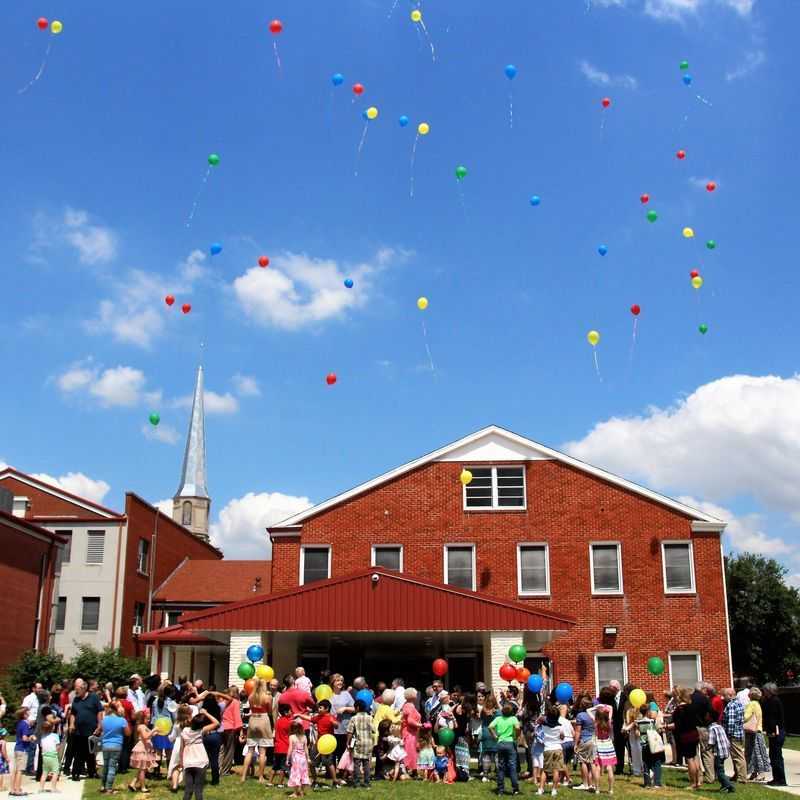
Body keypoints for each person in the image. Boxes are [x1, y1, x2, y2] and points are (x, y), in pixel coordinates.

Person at [181, 708, 219, 800]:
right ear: (202, 725)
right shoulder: (201, 731)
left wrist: (181, 762)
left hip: (188, 762)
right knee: (198, 790)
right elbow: (216, 723)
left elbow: (181, 748)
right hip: (201, 763)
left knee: (188, 791)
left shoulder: (185, 731)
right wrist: (206, 713)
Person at [69, 677, 103, 781]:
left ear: (84, 689)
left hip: (91, 730)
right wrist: (71, 724)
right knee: (78, 753)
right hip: (79, 731)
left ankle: (92, 772)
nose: (76, 692)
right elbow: (73, 713)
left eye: (77, 690)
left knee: (91, 753)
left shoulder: (94, 698)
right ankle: (76, 773)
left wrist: (100, 725)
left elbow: (99, 711)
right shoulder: (76, 699)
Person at [670, 687, 701, 790]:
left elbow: (677, 725)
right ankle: (698, 781)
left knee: (689, 759)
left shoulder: (680, 709)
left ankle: (693, 783)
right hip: (694, 733)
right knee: (695, 757)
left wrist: (665, 726)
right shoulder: (692, 707)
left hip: (686, 735)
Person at [242, 680, 272, 783]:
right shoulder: (267, 697)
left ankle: (243, 776)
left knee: (250, 750)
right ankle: (260, 777)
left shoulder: (251, 697)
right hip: (263, 719)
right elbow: (269, 710)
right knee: (262, 752)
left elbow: (250, 708)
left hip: (253, 719)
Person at [489, 702, 522, 796]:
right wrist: (517, 735)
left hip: (500, 743)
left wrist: (495, 736)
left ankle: (500, 790)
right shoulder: (513, 719)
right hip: (510, 742)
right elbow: (517, 727)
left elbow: (490, 726)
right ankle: (515, 788)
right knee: (512, 766)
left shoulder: (498, 718)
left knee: (501, 766)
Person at [100, 700, 130, 794]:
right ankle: (109, 788)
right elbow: (128, 733)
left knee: (105, 766)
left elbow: (101, 729)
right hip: (116, 745)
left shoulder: (105, 719)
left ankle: (102, 786)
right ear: (117, 709)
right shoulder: (122, 720)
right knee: (112, 767)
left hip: (105, 745)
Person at [761, 683, 786, 787]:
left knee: (776, 756)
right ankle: (776, 778)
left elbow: (774, 718)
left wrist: (771, 731)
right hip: (773, 731)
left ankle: (781, 780)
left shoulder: (774, 701)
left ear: (769, 691)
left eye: (765, 690)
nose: (764, 692)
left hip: (776, 732)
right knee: (773, 756)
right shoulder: (769, 701)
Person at [744, 688, 770, 782]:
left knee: (754, 753)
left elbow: (746, 717)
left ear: (750, 695)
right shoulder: (758, 704)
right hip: (758, 730)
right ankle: (754, 772)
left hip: (752, 732)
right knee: (757, 752)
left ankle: (760, 773)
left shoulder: (751, 704)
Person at [636, 704, 665, 789]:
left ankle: (647, 783)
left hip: (644, 745)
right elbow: (657, 731)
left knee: (646, 764)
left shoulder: (638, 722)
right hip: (653, 745)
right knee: (657, 763)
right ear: (648, 712)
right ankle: (657, 782)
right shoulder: (652, 721)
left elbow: (637, 734)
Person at [539, 704, 565, 797]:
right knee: (556, 770)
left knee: (545, 770)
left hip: (547, 749)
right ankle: (554, 789)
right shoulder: (560, 726)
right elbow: (562, 738)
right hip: (557, 748)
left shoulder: (544, 725)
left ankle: (541, 789)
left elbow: (540, 719)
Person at [721, 688, 747, 783]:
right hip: (739, 732)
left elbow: (731, 722)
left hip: (734, 735)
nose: (723, 698)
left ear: (730, 695)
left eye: (725, 695)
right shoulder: (739, 703)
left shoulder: (731, 705)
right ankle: (737, 775)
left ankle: (742, 777)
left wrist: (728, 735)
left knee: (738, 756)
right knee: (736, 755)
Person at [347, 699, 374, 789]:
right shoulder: (370, 717)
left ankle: (357, 782)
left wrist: (348, 742)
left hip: (358, 742)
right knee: (366, 763)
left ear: (357, 708)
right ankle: (367, 782)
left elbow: (350, 732)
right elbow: (373, 730)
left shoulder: (354, 718)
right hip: (368, 743)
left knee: (357, 763)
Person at [129, 711, 158, 792]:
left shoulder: (144, 726)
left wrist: (156, 731)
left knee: (143, 769)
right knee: (142, 769)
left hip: (146, 749)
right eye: (147, 718)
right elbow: (145, 737)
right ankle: (143, 787)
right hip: (142, 749)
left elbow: (150, 734)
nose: (148, 720)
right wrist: (153, 731)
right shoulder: (141, 726)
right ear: (142, 719)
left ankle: (133, 783)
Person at [573, 697, 597, 791]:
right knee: (592, 763)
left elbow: (578, 731)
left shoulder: (580, 715)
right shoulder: (594, 715)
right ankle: (594, 784)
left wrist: (575, 743)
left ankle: (585, 784)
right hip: (593, 740)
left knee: (583, 762)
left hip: (584, 740)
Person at [168, 704, 193, 792]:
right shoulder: (191, 723)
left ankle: (175, 785)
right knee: (189, 765)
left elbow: (172, 737)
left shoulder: (176, 724)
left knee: (176, 766)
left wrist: (168, 736)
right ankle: (189, 785)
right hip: (189, 744)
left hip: (178, 744)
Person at [329, 674, 355, 760]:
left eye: (341, 681)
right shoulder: (328, 694)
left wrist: (345, 708)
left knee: (343, 753)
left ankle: (342, 772)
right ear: (332, 682)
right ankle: (332, 773)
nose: (340, 682)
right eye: (337, 680)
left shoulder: (346, 694)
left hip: (344, 728)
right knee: (332, 752)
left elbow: (354, 708)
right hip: (332, 727)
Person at [708, 717, 735, 793]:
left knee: (719, 771)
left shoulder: (711, 728)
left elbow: (711, 742)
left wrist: (706, 749)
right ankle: (724, 785)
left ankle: (728, 785)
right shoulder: (720, 727)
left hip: (718, 753)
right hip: (725, 752)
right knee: (721, 769)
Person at [593, 707, 617, 795]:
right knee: (609, 767)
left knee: (598, 767)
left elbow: (588, 711)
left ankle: (597, 789)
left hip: (599, 745)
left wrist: (597, 707)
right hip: (608, 745)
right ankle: (610, 789)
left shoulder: (596, 724)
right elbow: (611, 708)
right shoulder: (609, 723)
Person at [12, 707, 36, 796]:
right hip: (22, 749)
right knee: (20, 771)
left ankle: (14, 788)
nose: (30, 712)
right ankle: (17, 790)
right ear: (25, 714)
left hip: (17, 748)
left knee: (16, 769)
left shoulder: (19, 723)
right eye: (28, 711)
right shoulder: (25, 724)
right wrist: (32, 738)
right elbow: (24, 738)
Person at [199, 696, 222, 786]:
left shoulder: (203, 711)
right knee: (214, 759)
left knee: (202, 759)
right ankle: (215, 780)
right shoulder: (218, 708)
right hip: (215, 734)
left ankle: (201, 778)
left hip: (204, 735)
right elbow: (218, 723)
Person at [21, 682, 42, 776]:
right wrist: (28, 720)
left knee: (39, 746)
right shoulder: (29, 698)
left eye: (41, 688)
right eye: (39, 688)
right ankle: (29, 768)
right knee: (32, 746)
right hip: (32, 724)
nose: (40, 689)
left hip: (39, 724)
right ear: (33, 689)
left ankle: (36, 768)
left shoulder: (40, 698)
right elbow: (24, 709)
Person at [270, 704, 293, 787]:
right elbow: (291, 732)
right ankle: (280, 783)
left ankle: (270, 782)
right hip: (285, 747)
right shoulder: (289, 722)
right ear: (286, 712)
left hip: (277, 747)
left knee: (275, 766)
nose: (291, 712)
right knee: (283, 768)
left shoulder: (278, 721)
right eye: (290, 711)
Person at [287, 721, 311, 797]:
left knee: (295, 774)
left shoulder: (291, 737)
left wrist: (287, 759)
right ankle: (301, 791)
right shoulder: (304, 737)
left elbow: (290, 748)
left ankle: (295, 792)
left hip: (296, 758)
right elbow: (306, 749)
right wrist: (308, 758)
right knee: (303, 774)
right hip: (303, 758)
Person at [479, 693, 500, 782]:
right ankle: (499, 774)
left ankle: (485, 775)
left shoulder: (483, 711)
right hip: (495, 734)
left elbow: (481, 717)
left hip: (486, 734)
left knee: (486, 756)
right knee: (497, 756)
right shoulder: (498, 712)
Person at [401, 688, 421, 776]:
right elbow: (410, 720)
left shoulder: (407, 704)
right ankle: (411, 771)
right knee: (410, 752)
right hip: (409, 732)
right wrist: (420, 725)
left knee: (410, 751)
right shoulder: (410, 706)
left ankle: (411, 771)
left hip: (410, 731)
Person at [37, 721, 61, 794]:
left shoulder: (42, 736)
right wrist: (57, 752)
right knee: (55, 772)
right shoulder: (55, 736)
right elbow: (58, 746)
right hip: (53, 756)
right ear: (52, 728)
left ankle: (41, 788)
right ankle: (53, 788)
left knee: (44, 773)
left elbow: (41, 746)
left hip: (45, 756)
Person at [609, 681, 626, 776]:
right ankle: (619, 768)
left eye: (611, 688)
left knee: (629, 748)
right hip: (615, 726)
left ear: (615, 688)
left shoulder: (625, 697)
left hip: (625, 725)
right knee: (618, 748)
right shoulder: (611, 698)